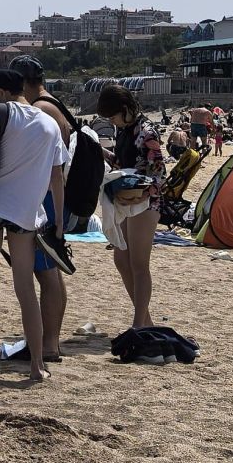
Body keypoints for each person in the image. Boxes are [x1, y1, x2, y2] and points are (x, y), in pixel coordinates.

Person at [0, 69, 68, 380]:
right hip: (26, 213)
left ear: (2, 92)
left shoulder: (2, 112)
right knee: (25, 288)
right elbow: (57, 178)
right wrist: (59, 223)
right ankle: (37, 366)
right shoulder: (50, 124)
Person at [12, 55, 88, 356]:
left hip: (47, 198)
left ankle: (48, 344)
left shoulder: (41, 109)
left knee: (46, 274)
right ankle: (49, 340)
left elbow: (45, 164)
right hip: (55, 196)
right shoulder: (53, 104)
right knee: (51, 271)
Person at [96, 84, 159, 332]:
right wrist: (100, 151)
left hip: (146, 202)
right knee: (121, 260)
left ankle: (139, 325)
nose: (111, 121)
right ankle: (145, 320)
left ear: (124, 109)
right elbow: (122, 163)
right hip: (126, 200)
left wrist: (139, 193)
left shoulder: (147, 131)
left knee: (139, 264)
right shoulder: (124, 130)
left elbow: (157, 172)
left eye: (112, 116)